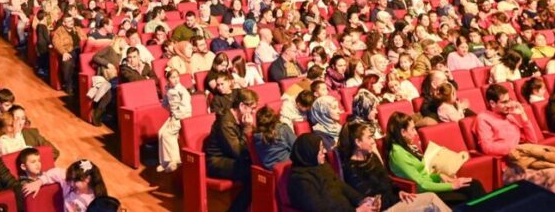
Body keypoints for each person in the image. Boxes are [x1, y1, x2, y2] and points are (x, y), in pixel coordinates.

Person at [475, 85, 555, 208]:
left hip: (530, 160)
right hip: (510, 168)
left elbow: (532, 141)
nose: (509, 104)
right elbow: (487, 147)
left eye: (509, 100)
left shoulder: (510, 117)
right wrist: (516, 148)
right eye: (504, 102)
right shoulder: (483, 118)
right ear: (492, 103)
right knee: (554, 174)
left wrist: (523, 116)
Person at [289, 133, 447, 212]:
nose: (324, 151)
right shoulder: (299, 180)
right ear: (308, 153)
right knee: (429, 203)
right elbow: (320, 210)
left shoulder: (321, 167)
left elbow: (343, 188)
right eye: (319, 150)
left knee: (430, 198)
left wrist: (364, 201)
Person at [386, 112, 486, 205]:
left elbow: (423, 176)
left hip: (430, 185)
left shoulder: (406, 146)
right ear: (403, 132)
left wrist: (438, 176)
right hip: (423, 193)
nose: (416, 133)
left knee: (474, 184)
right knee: (468, 192)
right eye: (412, 129)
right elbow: (422, 185)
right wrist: (452, 185)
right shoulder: (398, 154)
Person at [203, 88, 257, 212]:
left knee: (259, 168)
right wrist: (247, 128)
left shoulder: (239, 119)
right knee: (253, 173)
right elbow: (238, 151)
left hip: (229, 158)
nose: (253, 112)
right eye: (252, 108)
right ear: (242, 106)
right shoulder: (225, 122)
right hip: (217, 162)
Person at [20, 158, 107, 212]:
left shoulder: (95, 199)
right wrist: (39, 182)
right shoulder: (69, 182)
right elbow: (56, 172)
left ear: (87, 179)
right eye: (70, 179)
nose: (70, 183)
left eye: (75, 181)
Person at [157, 67, 191, 173]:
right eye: (172, 77)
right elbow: (166, 103)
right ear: (168, 79)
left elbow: (186, 108)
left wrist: (175, 115)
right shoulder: (168, 88)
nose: (175, 79)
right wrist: (168, 109)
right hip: (173, 115)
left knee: (168, 134)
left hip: (182, 116)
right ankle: (164, 161)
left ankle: (175, 160)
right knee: (160, 132)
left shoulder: (182, 91)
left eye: (177, 77)